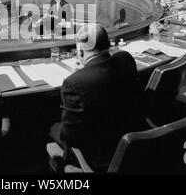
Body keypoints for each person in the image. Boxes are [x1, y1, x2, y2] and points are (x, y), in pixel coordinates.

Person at [49, 23, 143, 172]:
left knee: (54, 128)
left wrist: (83, 73)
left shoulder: (73, 82)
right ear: (107, 44)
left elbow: (70, 138)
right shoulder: (126, 59)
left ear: (80, 50)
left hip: (100, 157)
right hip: (133, 143)